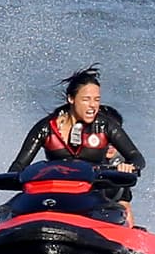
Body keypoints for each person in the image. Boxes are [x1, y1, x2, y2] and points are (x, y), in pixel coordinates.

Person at [8, 65, 145, 225]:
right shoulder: (45, 128)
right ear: (71, 99)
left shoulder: (105, 126)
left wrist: (130, 166)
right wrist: (14, 178)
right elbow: (19, 165)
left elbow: (137, 157)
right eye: (86, 100)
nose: (93, 106)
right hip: (54, 195)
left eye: (97, 100)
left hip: (94, 196)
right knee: (10, 209)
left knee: (120, 206)